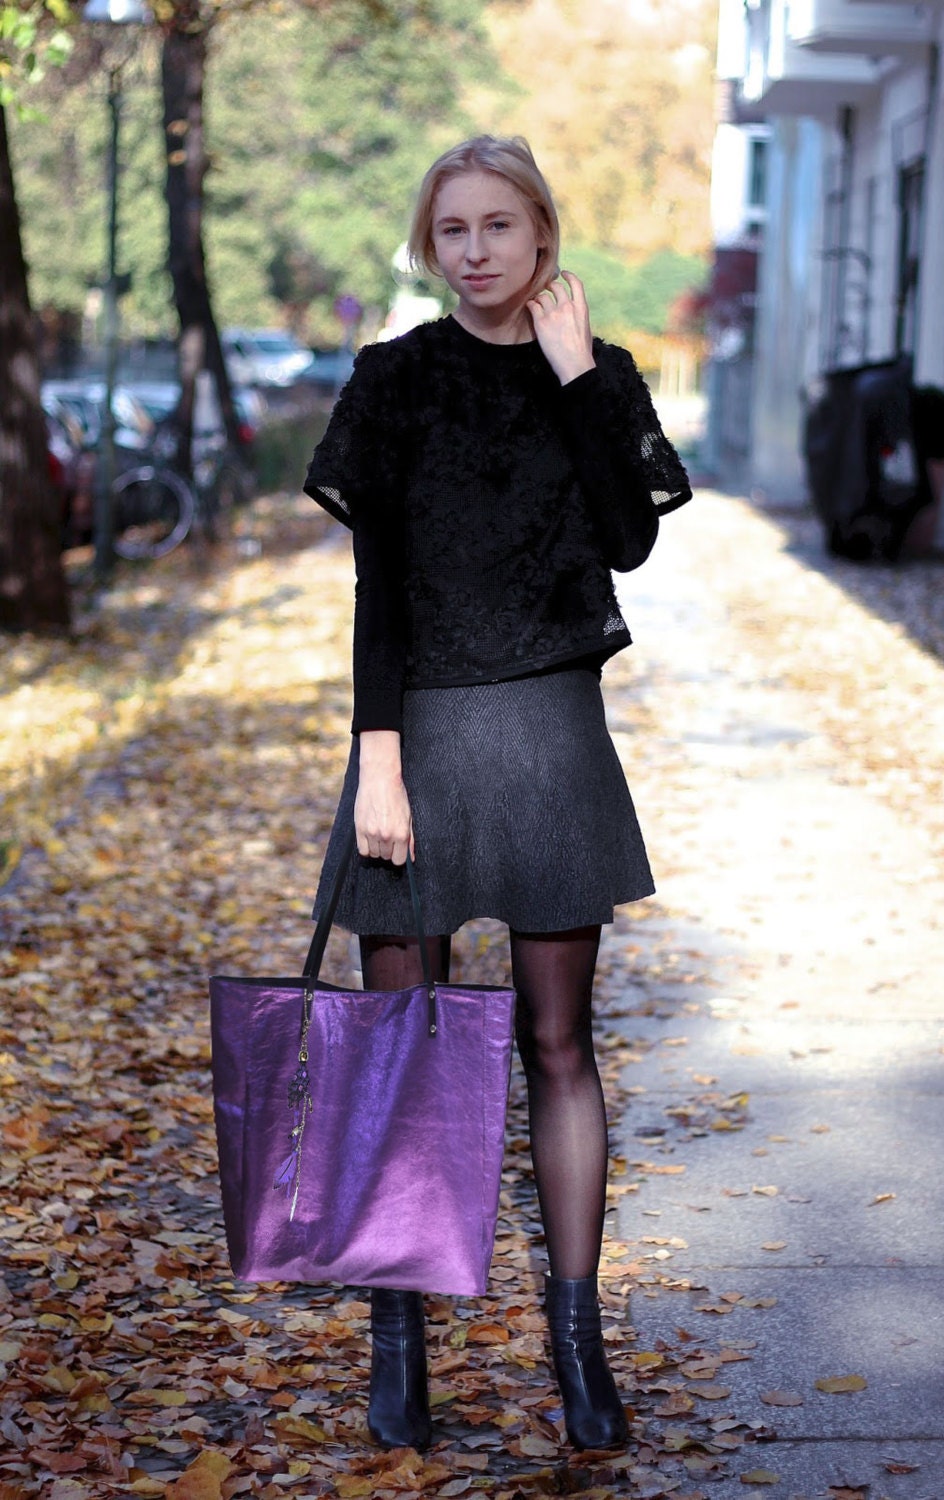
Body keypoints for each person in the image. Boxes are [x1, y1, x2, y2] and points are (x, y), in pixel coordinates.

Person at [304, 135, 691, 1454]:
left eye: (497, 226)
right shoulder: (394, 383)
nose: (473, 249)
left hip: (553, 740)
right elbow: (375, 598)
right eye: (451, 228)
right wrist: (376, 763)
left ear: (541, 237)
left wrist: (582, 381)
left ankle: (576, 1345)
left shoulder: (601, 377)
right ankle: (400, 1337)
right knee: (401, 1053)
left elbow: (631, 538)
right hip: (417, 744)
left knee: (557, 1043)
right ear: (432, 241)